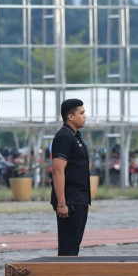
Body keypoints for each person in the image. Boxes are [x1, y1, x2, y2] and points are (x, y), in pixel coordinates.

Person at [50, 99, 90, 256]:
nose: (85, 116)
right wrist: (61, 203)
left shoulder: (75, 136)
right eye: (81, 113)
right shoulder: (64, 137)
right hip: (70, 200)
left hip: (80, 198)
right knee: (68, 248)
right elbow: (58, 170)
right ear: (70, 116)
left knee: (74, 245)